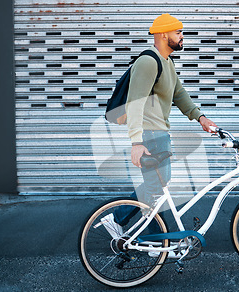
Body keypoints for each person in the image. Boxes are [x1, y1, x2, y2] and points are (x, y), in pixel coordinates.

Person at [100, 14, 217, 238]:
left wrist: (200, 118)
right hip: (149, 134)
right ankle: (125, 223)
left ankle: (142, 232)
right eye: (178, 32)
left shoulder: (167, 62)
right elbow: (135, 103)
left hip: (159, 133)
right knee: (155, 189)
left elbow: (179, 94)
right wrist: (136, 142)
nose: (182, 36)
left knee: (156, 189)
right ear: (163, 35)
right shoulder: (148, 62)